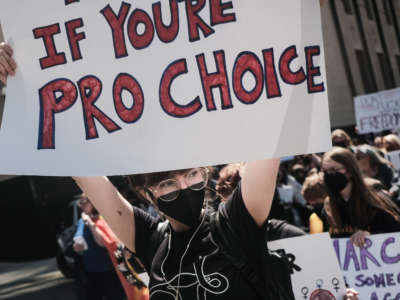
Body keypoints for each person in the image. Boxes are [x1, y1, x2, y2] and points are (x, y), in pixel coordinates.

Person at [321, 147, 400, 247]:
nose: (328, 175)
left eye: (333, 169)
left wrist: (372, 236)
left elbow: (396, 231)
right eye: (324, 171)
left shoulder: (375, 199)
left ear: (349, 170)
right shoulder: (328, 207)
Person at [73, 195, 126, 300]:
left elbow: (102, 243)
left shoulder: (101, 219)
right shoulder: (80, 221)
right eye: (80, 203)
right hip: (90, 270)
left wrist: (90, 223)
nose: (82, 205)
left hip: (108, 269)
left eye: (84, 202)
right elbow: (78, 242)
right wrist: (76, 247)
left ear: (92, 202)